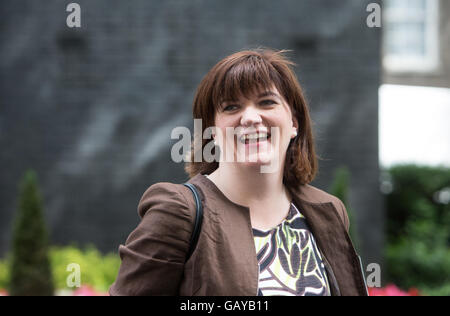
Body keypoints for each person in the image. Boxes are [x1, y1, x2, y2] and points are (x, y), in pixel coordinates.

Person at [109, 48, 368, 296]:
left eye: (267, 102)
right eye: (231, 107)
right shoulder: (178, 212)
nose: (250, 118)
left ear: (294, 123)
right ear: (212, 131)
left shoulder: (328, 210)